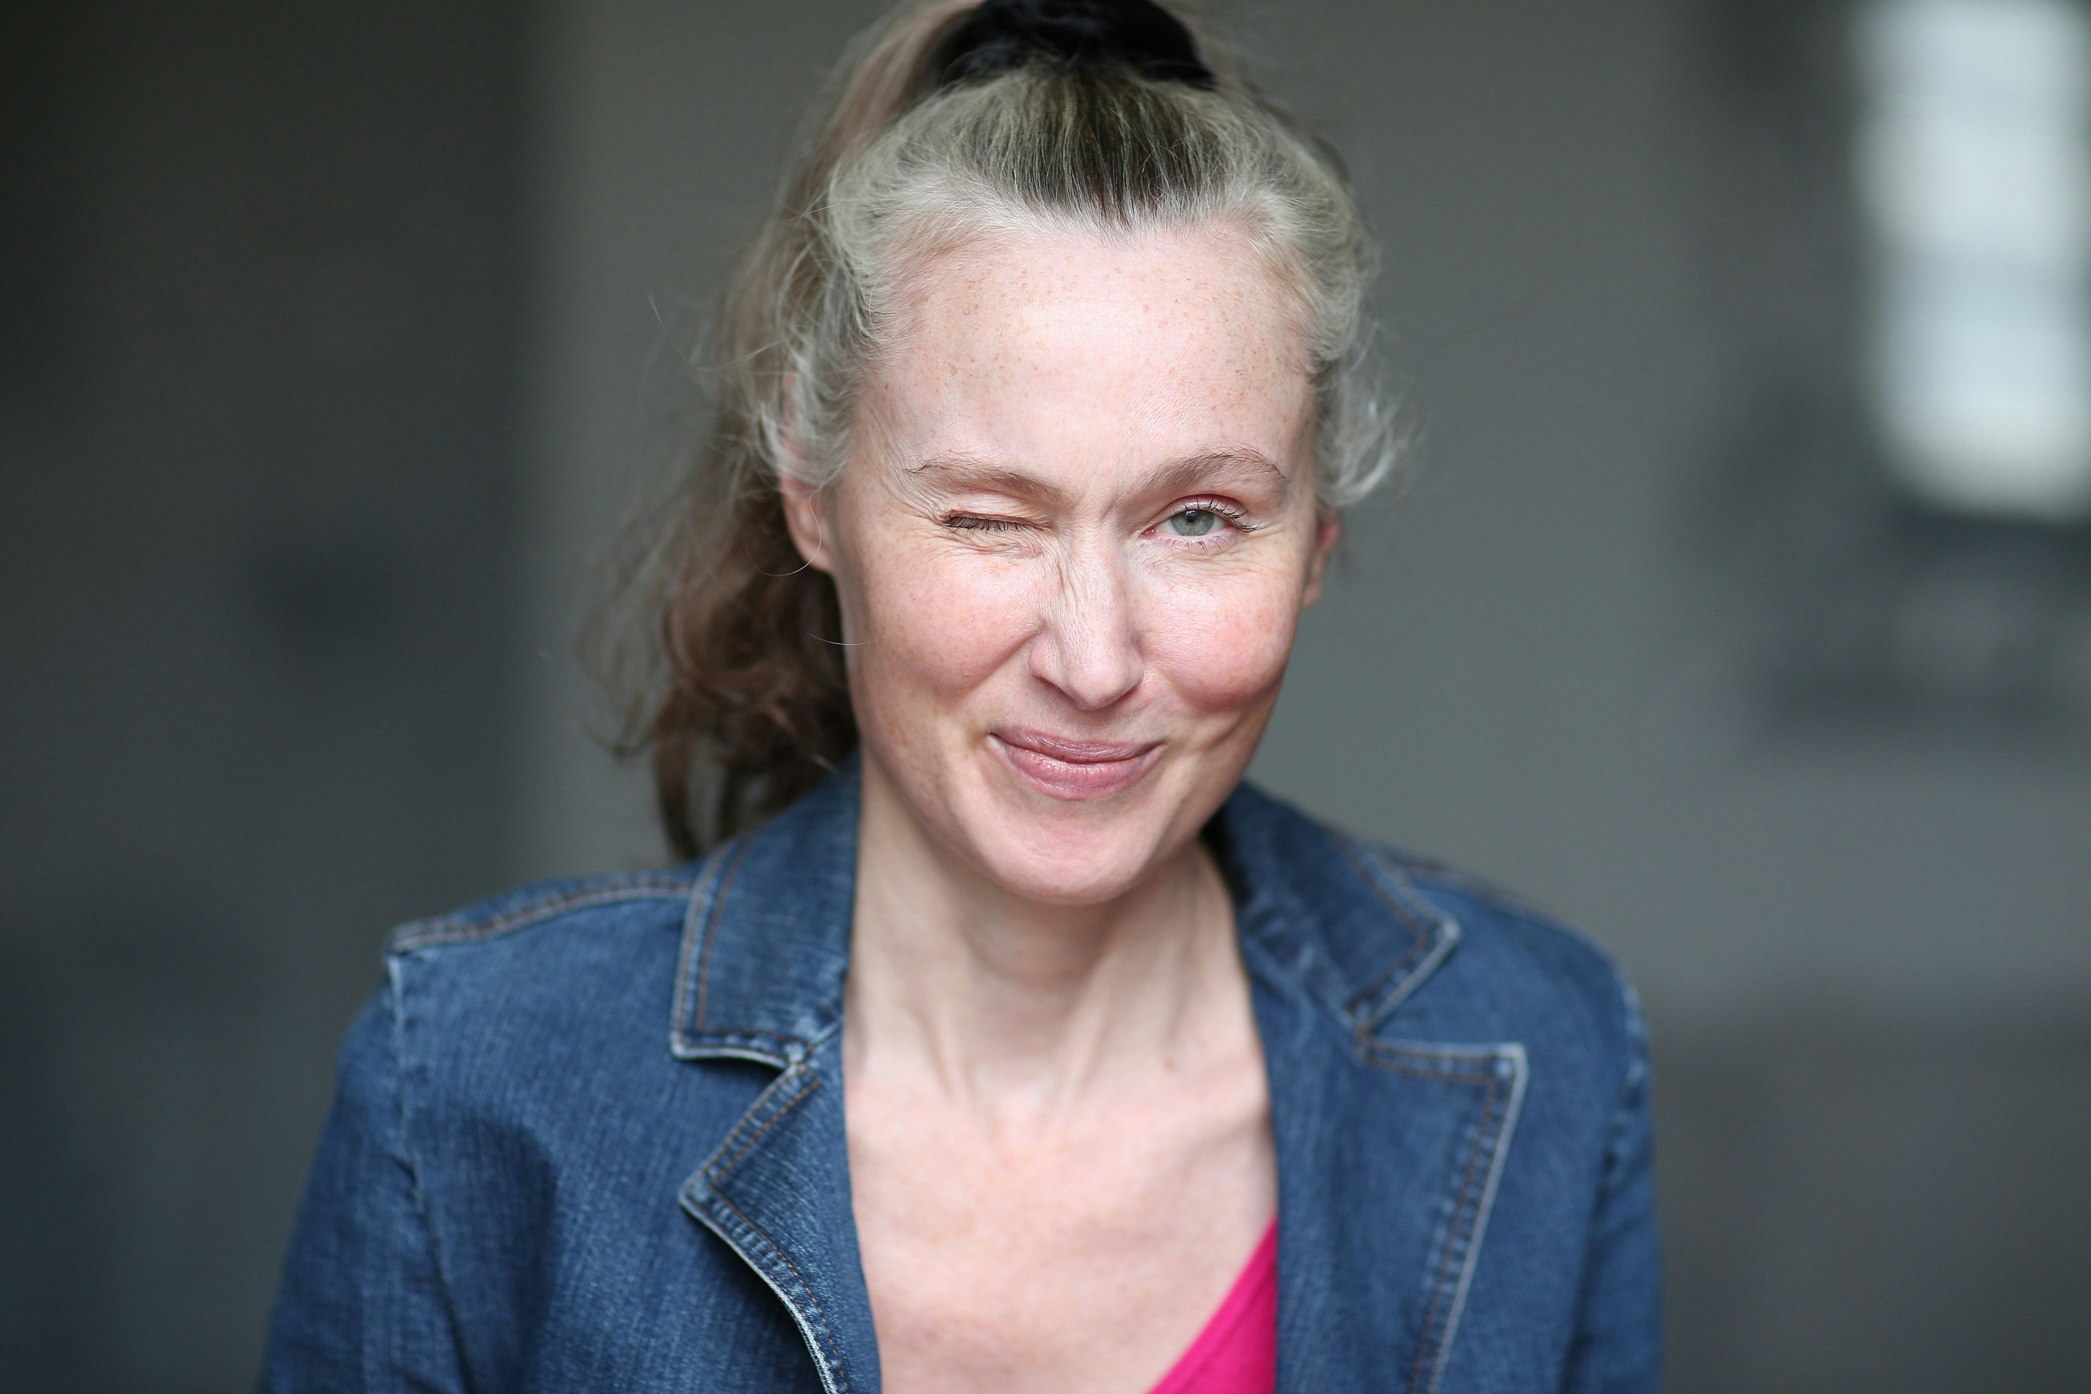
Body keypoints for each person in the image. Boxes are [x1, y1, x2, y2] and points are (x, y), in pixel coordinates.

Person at [258, 1, 1660, 1391]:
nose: (1093, 662)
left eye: (1199, 518)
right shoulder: (471, 1087)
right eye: (991, 517)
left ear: (1317, 539)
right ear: (813, 496)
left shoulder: (1541, 1049)